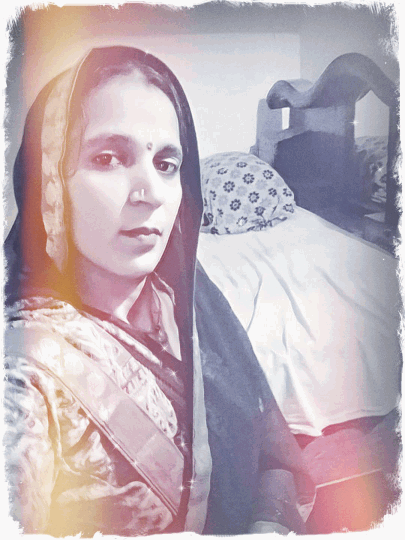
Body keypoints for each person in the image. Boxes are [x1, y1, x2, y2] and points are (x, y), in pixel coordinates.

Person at [4, 45, 314, 536]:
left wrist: (267, 525)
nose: (149, 193)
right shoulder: (27, 371)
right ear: (49, 185)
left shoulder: (189, 298)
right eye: (108, 158)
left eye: (167, 164)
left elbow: (269, 451)